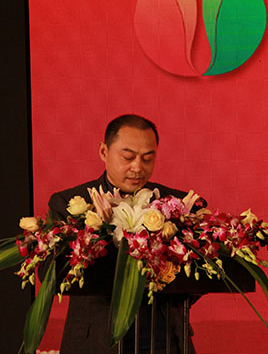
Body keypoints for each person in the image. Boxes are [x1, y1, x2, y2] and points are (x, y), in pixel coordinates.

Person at [49, 114, 202, 354]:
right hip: (96, 339)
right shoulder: (70, 204)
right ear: (103, 152)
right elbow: (59, 273)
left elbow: (199, 273)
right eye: (128, 157)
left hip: (163, 338)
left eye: (147, 158)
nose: (137, 167)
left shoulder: (178, 206)